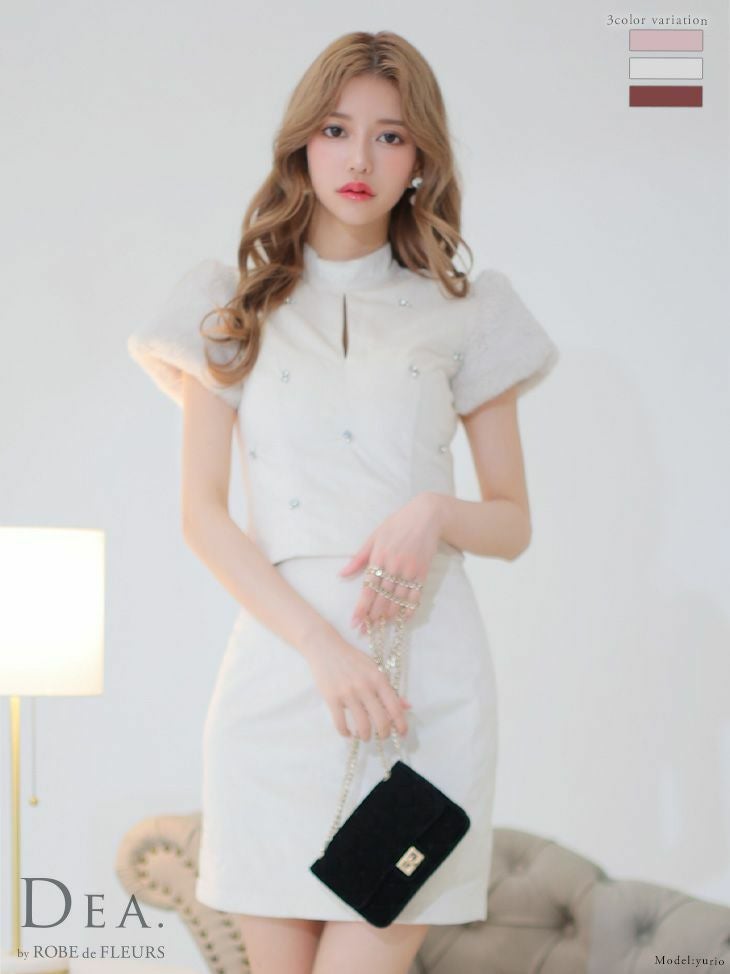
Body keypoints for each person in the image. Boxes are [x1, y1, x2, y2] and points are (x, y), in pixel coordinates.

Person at [127, 29, 559, 974]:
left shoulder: (468, 312)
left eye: (390, 136)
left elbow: (512, 521)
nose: (360, 159)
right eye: (335, 129)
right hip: (282, 686)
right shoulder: (231, 309)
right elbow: (203, 516)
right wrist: (323, 650)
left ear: (421, 157)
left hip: (420, 694)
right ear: (302, 143)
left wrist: (435, 512)